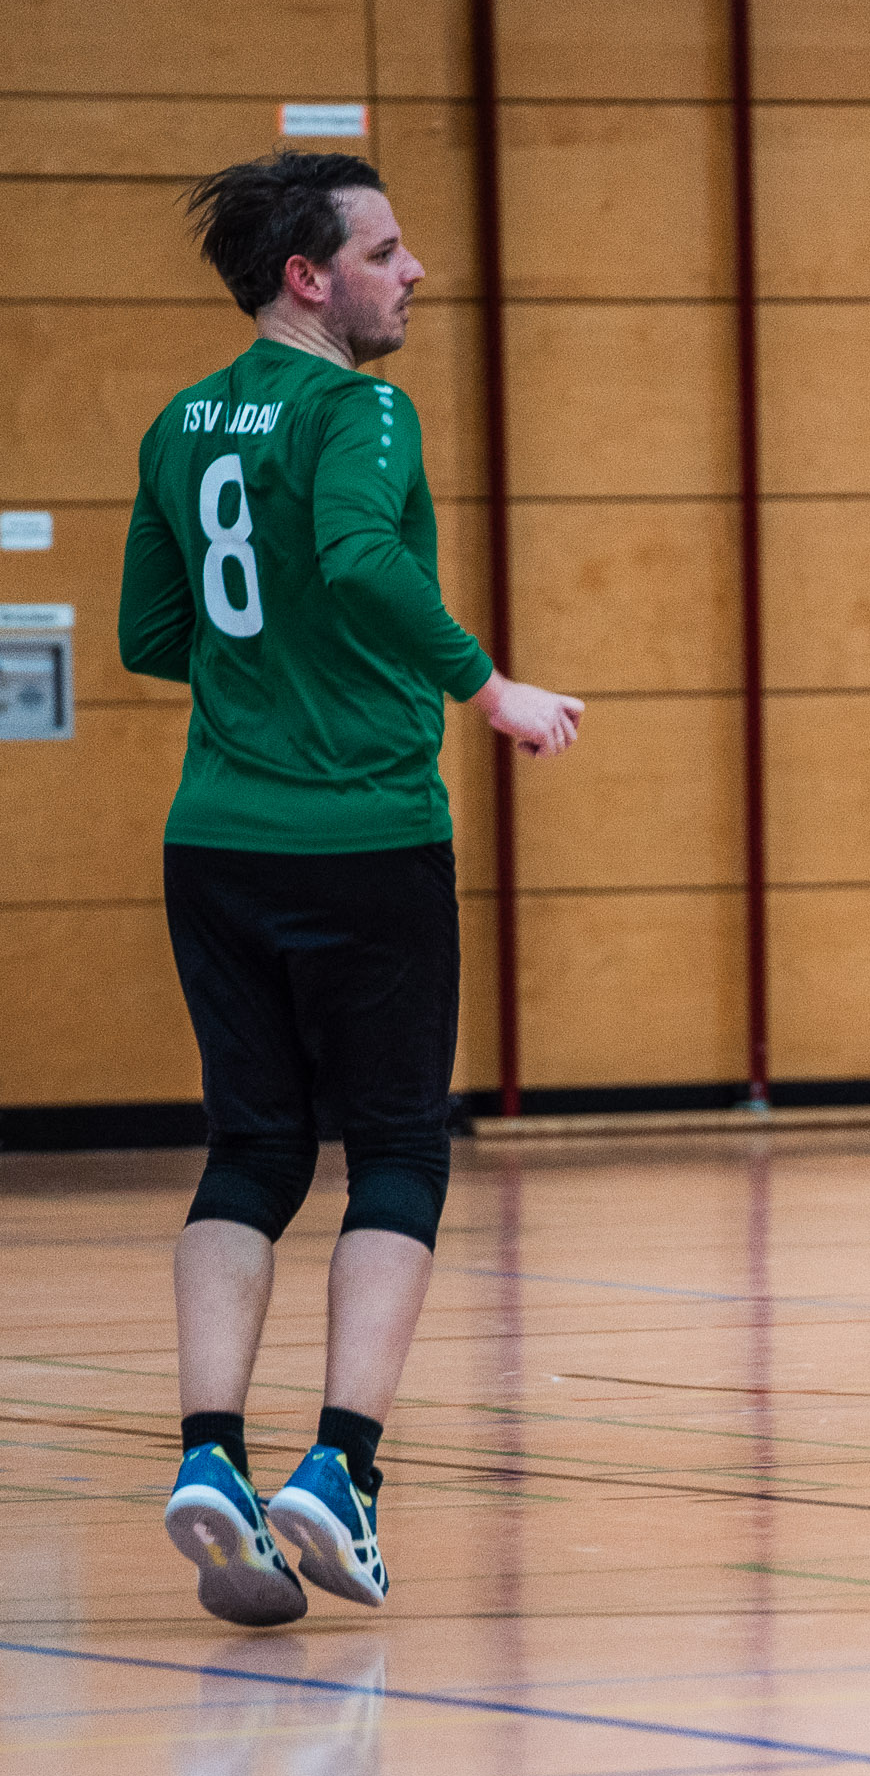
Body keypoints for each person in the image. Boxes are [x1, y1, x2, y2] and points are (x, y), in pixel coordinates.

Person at [124, 151, 584, 1626]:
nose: (415, 270)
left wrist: (270, 673)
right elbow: (358, 557)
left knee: (252, 1147)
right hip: (365, 834)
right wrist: (488, 687)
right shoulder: (362, 411)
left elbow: (151, 632)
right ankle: (342, 1468)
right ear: (307, 278)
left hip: (215, 837)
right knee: (394, 1149)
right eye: (385, 251)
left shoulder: (180, 422)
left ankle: (210, 1450)